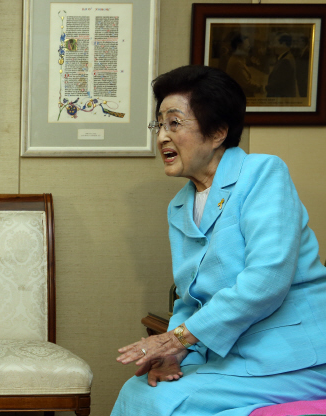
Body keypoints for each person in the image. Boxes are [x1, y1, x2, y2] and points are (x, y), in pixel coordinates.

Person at [111, 65, 326, 415]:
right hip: (230, 355)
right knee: (138, 388)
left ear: (218, 133)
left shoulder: (263, 173)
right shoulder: (179, 205)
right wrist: (175, 351)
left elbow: (267, 280)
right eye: (159, 124)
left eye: (174, 123)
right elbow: (188, 298)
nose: (163, 136)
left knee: (161, 400)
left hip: (292, 358)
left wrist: (177, 338)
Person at [266, 33, 298, 97]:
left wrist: (263, 89)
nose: (273, 46)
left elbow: (277, 84)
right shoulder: (286, 57)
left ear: (283, 44)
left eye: (275, 43)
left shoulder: (286, 61)